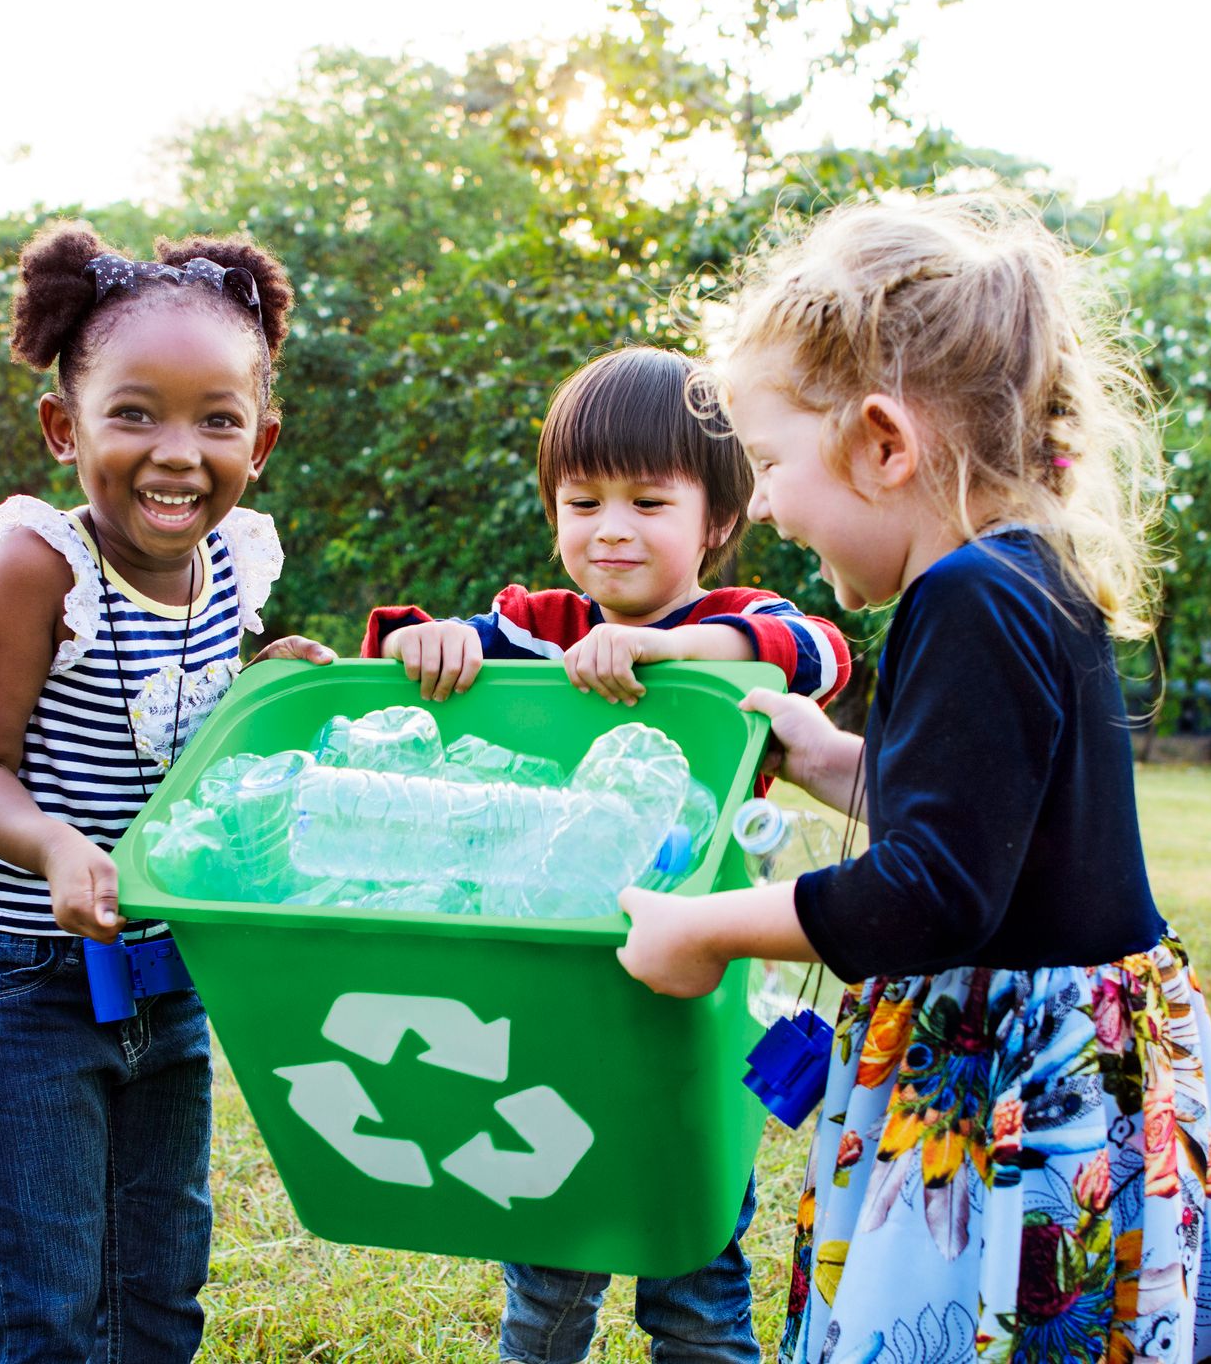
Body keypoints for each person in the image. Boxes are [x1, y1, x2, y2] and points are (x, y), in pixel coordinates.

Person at [615, 198, 1211, 1363]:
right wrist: (825, 757)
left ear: (882, 442)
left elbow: (930, 890)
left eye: (769, 464)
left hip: (1018, 1083)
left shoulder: (962, 595)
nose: (761, 503)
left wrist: (708, 929)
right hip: (1084, 1052)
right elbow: (986, 825)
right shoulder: (1025, 571)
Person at [361, 345, 852, 1364]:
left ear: (716, 519)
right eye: (580, 501)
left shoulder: (731, 625)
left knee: (696, 1268)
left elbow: (810, 649)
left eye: (646, 500)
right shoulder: (540, 628)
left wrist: (661, 647)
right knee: (547, 1255)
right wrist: (431, 643)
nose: (610, 528)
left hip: (692, 1001)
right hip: (548, 992)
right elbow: (420, 659)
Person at [0, 220, 333, 1363]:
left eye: (217, 418)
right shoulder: (36, 566)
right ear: (66, 426)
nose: (175, 451)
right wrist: (54, 847)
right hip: (20, 981)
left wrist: (263, 690)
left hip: (168, 975)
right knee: (46, 1301)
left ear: (261, 437)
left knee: (160, 1283)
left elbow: (181, 738)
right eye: (134, 411)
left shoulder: (234, 563)